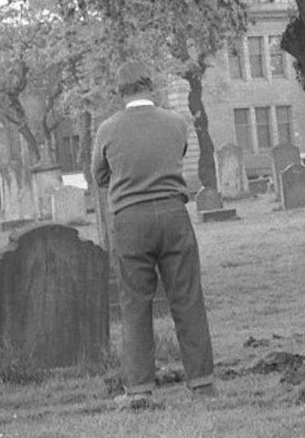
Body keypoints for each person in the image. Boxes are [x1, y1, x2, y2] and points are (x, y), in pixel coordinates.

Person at [92, 60, 214, 409]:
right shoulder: (176, 123)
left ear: (121, 92)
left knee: (135, 305)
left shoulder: (107, 130)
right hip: (174, 215)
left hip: (131, 221)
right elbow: (179, 155)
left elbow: (99, 176)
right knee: (188, 298)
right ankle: (202, 383)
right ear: (151, 87)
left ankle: (140, 389)